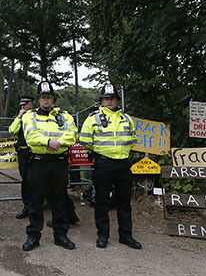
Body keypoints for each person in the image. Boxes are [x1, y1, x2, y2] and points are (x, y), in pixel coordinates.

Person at [80, 83, 141, 249]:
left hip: (123, 163)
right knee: (102, 201)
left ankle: (126, 236)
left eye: (112, 98)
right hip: (103, 163)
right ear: (101, 100)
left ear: (117, 100)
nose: (109, 101)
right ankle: (102, 235)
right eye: (106, 98)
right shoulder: (93, 118)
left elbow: (132, 140)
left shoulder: (126, 119)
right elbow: (85, 140)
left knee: (124, 202)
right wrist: (100, 152)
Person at [21, 81, 77, 251]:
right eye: (43, 97)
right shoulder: (29, 116)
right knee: (35, 201)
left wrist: (57, 143)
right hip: (38, 163)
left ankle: (61, 235)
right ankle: (33, 236)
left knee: (59, 199)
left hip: (59, 162)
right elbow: (30, 137)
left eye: (49, 97)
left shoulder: (65, 116)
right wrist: (48, 141)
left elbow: (72, 135)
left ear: (53, 99)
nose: (46, 100)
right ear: (38, 99)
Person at [8, 95, 34, 219]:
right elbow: (12, 130)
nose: (23, 107)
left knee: (37, 180)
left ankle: (38, 206)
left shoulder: (36, 116)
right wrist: (19, 117)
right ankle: (27, 206)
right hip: (23, 153)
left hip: (35, 152)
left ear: (31, 105)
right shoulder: (20, 118)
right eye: (22, 106)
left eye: (25, 105)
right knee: (25, 180)